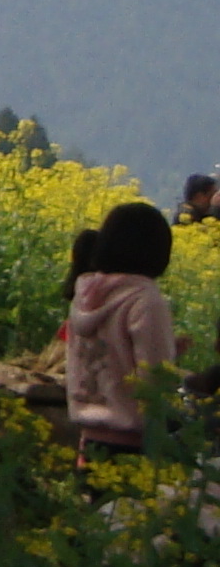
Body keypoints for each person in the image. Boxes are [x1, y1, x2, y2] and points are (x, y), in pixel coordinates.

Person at [68, 200, 180, 470]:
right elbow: (154, 376)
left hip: (88, 437)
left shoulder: (83, 294)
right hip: (133, 444)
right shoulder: (145, 299)